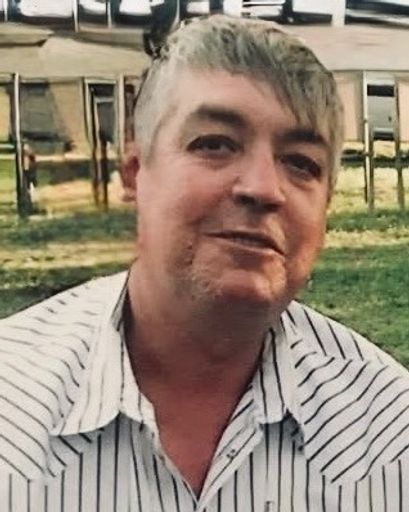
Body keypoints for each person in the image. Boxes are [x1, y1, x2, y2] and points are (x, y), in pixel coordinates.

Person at [1, 15, 409, 511]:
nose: (263, 188)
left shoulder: (388, 436)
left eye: (301, 162)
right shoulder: (11, 410)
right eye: (215, 144)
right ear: (136, 175)